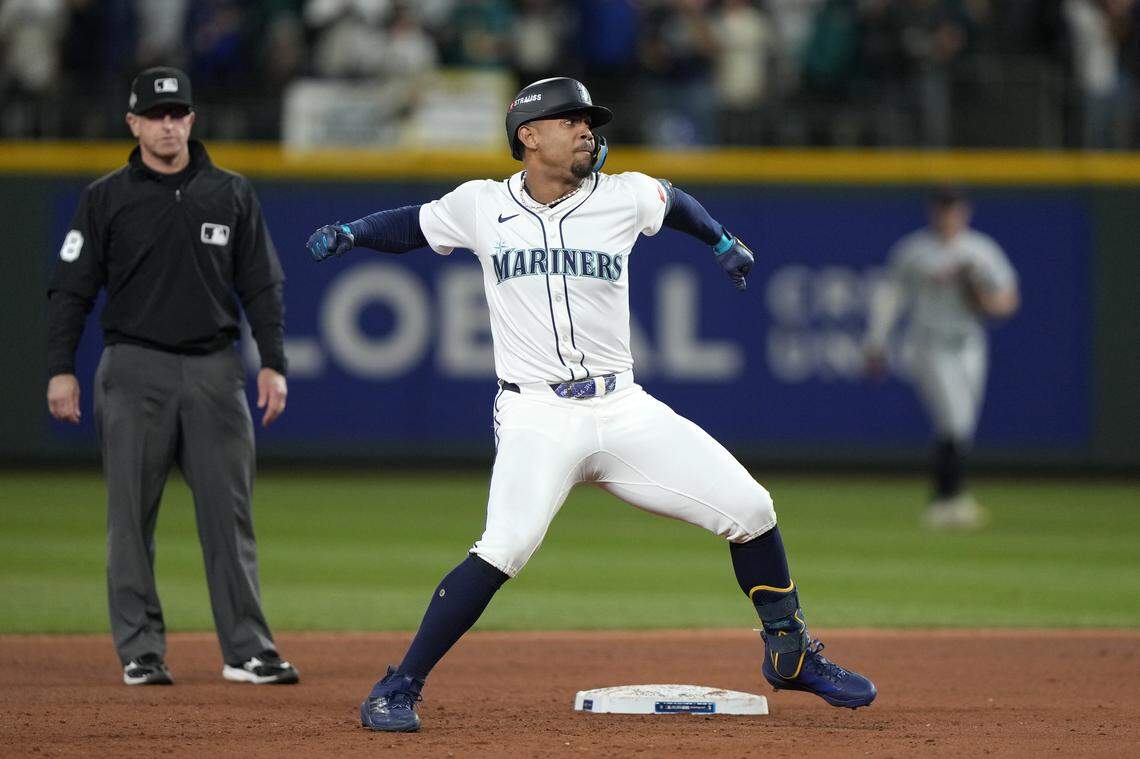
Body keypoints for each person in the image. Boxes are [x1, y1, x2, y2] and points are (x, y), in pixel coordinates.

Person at [307, 76, 876, 732]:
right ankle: (396, 685)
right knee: (507, 544)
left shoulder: (622, 195)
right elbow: (414, 224)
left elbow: (676, 201)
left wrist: (720, 240)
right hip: (537, 413)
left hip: (622, 405)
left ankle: (791, 653)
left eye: (588, 120)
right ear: (528, 136)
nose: (586, 130)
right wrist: (352, 232)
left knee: (751, 507)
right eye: (568, 120)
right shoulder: (482, 205)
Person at [46, 67, 299, 686]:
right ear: (132, 123)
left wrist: (273, 361)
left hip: (215, 369)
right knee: (130, 516)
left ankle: (247, 650)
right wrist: (59, 370)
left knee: (228, 515)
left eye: (177, 113)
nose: (167, 124)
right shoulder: (106, 197)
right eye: (155, 115)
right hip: (134, 367)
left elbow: (261, 285)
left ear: (191, 119)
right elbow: (70, 291)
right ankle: (140, 649)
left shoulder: (230, 192)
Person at [864, 188, 1020, 529]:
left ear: (965, 212)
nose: (948, 216)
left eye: (954, 209)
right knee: (953, 419)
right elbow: (890, 296)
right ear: (933, 212)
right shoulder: (915, 251)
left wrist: (981, 295)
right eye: (943, 209)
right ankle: (947, 499)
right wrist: (876, 341)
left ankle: (949, 498)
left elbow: (1007, 298)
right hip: (928, 343)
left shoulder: (979, 250)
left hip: (970, 343)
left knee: (963, 423)